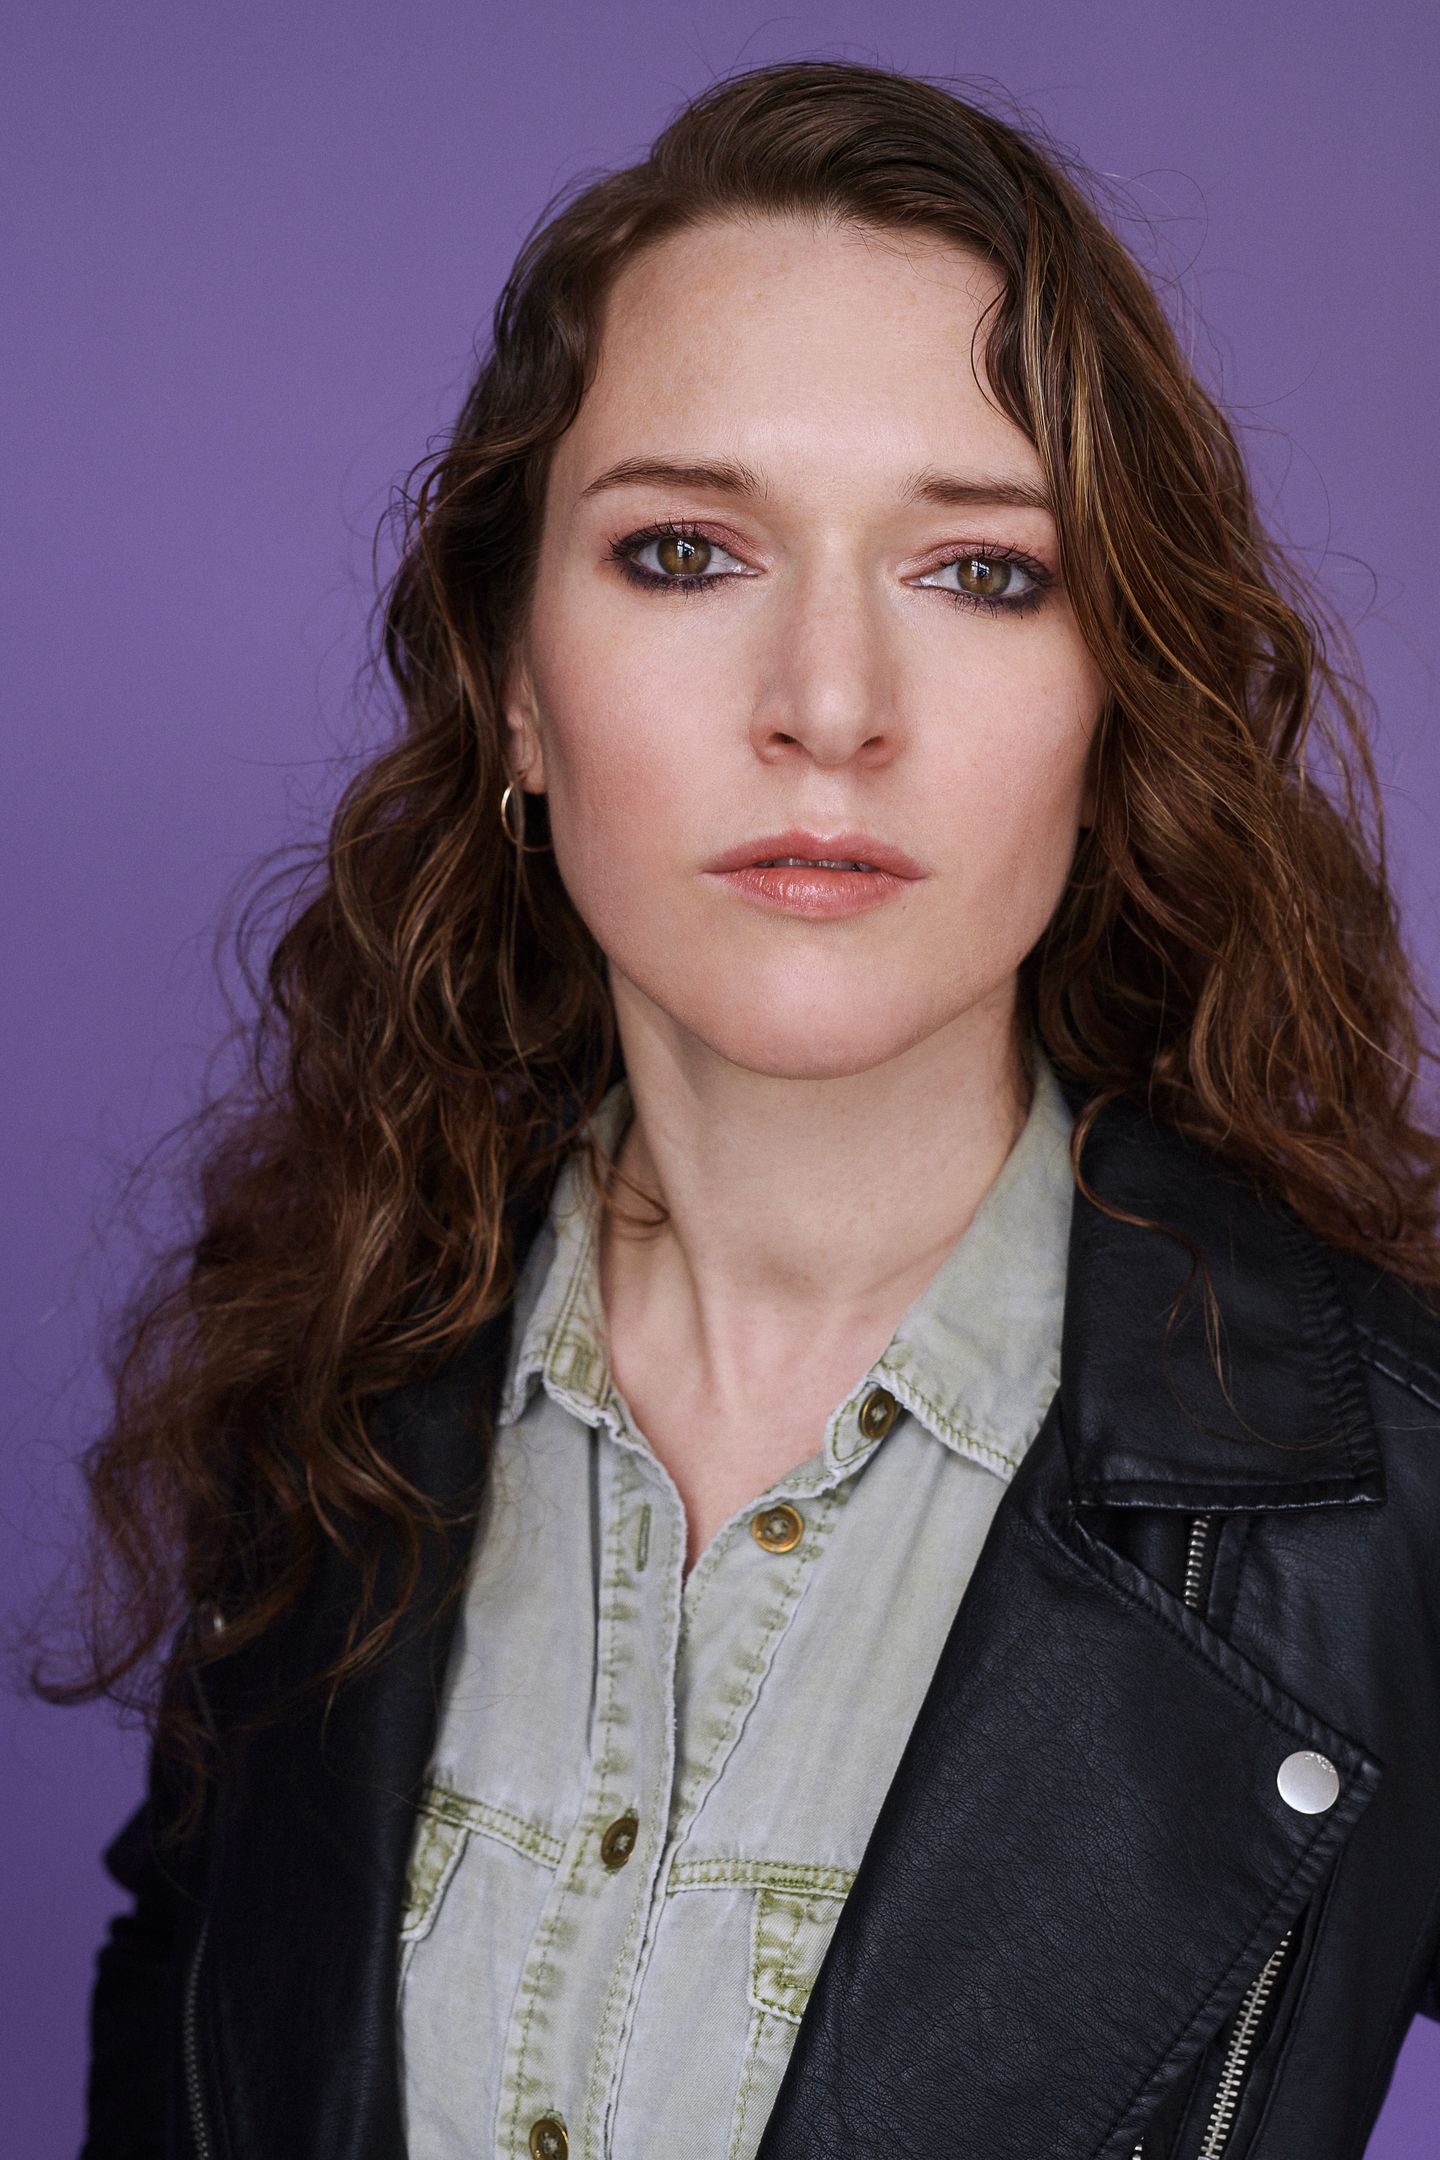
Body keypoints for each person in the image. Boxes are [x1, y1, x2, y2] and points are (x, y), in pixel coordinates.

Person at [50, 56, 1440, 2160]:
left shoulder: (1393, 1492)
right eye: (686, 551)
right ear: (517, 686)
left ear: (1116, 702)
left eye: (981, 572)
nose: (828, 706)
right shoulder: (325, 1386)